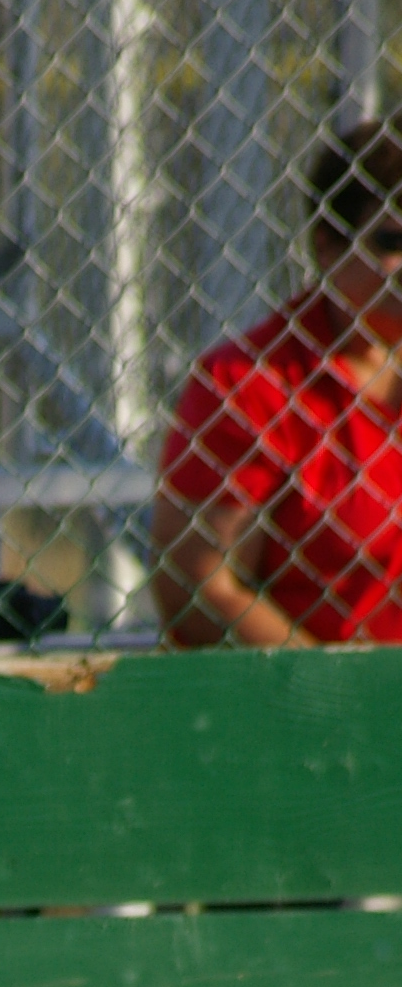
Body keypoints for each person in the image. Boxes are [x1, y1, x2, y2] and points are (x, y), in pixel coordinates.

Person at [155, 125, 402, 647]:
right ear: (328, 247)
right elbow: (198, 590)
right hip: (327, 685)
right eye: (392, 241)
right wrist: (334, 687)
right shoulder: (251, 385)